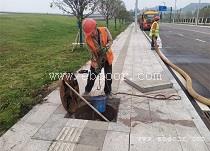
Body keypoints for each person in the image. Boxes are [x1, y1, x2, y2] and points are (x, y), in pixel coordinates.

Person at [82, 18, 114, 99]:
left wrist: (106, 47)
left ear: (95, 27)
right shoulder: (87, 39)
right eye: (89, 33)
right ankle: (87, 91)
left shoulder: (104, 30)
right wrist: (96, 65)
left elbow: (110, 40)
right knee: (92, 75)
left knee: (108, 75)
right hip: (97, 58)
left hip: (107, 57)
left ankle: (108, 91)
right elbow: (91, 53)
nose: (91, 34)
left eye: (92, 32)